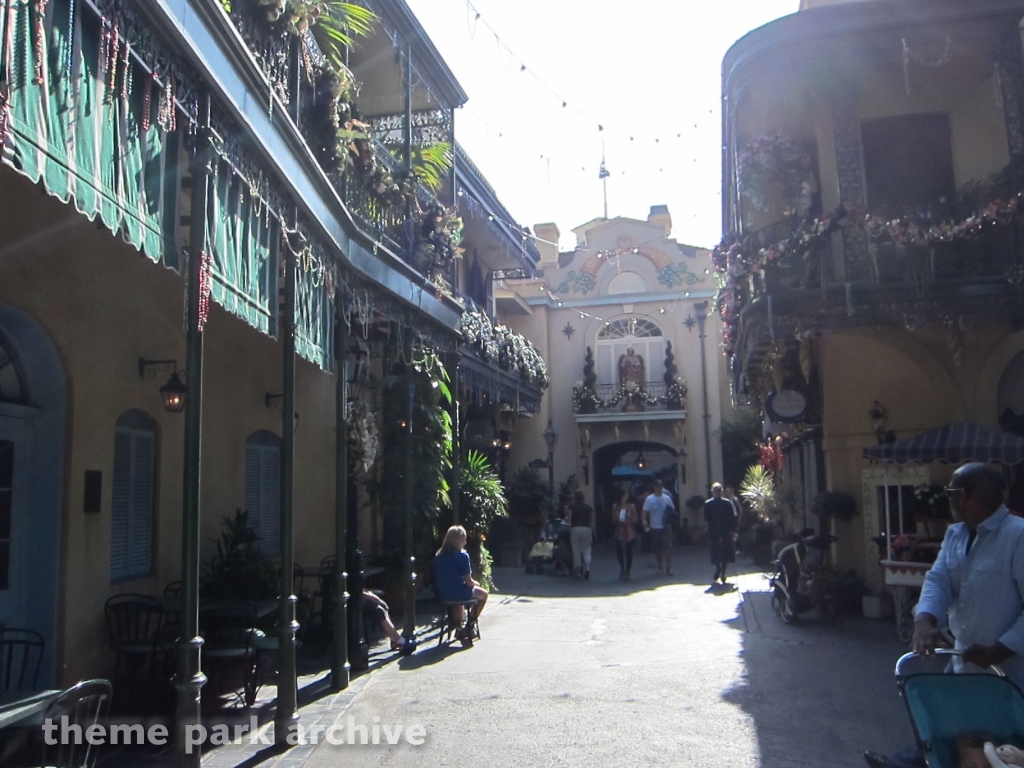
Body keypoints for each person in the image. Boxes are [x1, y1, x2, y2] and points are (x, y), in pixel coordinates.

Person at [864, 463, 1024, 768]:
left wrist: (998, 650)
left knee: (999, 746)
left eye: (951, 493)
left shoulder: (1018, 537)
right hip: (967, 664)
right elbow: (939, 580)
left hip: (1011, 672)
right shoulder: (956, 536)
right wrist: (925, 620)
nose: (949, 499)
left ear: (965, 496)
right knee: (948, 731)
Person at [434, 526, 488, 639]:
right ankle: (469, 626)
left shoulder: (439, 556)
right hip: (459, 592)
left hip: (444, 593)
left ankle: (458, 628)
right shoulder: (463, 556)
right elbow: (468, 581)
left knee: (458, 599)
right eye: (464, 539)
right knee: (483, 594)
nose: (465, 542)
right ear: (457, 540)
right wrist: (476, 583)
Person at [361, 589, 416, 654]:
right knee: (379, 611)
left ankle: (394, 639)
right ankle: (399, 641)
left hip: (359, 593)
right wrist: (369, 596)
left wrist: (369, 593)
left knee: (383, 605)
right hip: (353, 597)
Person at [705, 483, 738, 585]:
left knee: (720, 552)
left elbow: (707, 518)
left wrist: (734, 530)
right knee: (722, 552)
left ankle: (721, 570)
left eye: (717, 490)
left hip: (720, 531)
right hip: (722, 531)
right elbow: (732, 518)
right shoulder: (723, 503)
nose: (717, 492)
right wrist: (733, 530)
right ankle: (721, 570)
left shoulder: (709, 504)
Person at [643, 480, 676, 575]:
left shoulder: (667, 498)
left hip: (666, 526)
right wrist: (644, 521)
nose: (659, 488)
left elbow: (672, 510)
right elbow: (644, 511)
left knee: (668, 546)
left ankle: (669, 566)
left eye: (661, 486)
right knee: (657, 548)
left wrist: (671, 517)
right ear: (654, 487)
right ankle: (659, 565)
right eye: (657, 486)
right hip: (654, 526)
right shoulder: (649, 499)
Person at [567, 489, 594, 580]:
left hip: (575, 528)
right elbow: (593, 519)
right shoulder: (588, 507)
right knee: (586, 549)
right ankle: (587, 568)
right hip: (586, 528)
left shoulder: (572, 507)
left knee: (576, 550)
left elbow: (569, 518)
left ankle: (578, 571)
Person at [611, 488, 637, 581]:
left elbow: (636, 520)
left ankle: (628, 571)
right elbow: (613, 520)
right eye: (625, 494)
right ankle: (622, 567)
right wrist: (617, 516)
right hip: (619, 529)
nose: (627, 496)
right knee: (619, 550)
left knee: (628, 551)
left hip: (629, 529)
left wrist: (631, 517)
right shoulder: (616, 506)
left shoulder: (631, 506)